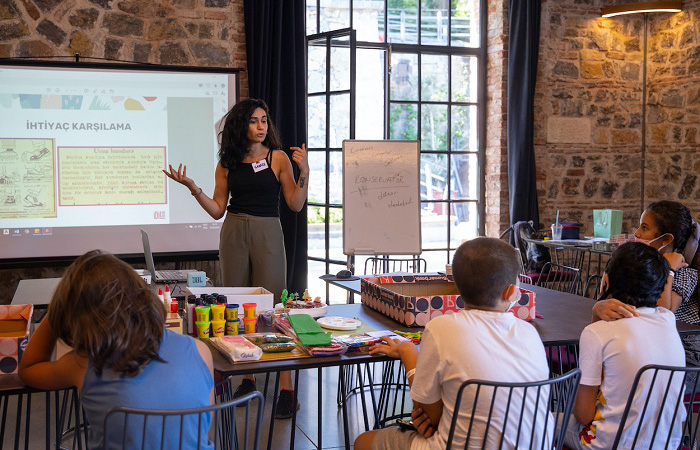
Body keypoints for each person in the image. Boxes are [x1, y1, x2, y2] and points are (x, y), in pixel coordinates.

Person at [163, 98, 309, 419]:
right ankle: (247, 375)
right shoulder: (227, 161)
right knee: (235, 304)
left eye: (264, 121)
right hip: (233, 230)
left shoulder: (278, 157)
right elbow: (217, 209)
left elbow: (295, 204)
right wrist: (192, 187)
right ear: (241, 125)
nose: (261, 127)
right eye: (254, 121)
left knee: (272, 307)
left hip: (268, 231)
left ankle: (286, 388)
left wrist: (304, 172)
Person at [354, 237, 551, 450]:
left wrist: (408, 351)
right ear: (510, 291)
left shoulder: (441, 328)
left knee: (363, 441)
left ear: (456, 285)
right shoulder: (530, 333)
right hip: (536, 445)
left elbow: (431, 418)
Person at [18, 250, 215, 449]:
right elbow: (203, 429)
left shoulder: (83, 364)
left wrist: (56, 311)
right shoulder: (200, 350)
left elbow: (28, 369)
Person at [564, 242, 686, 449]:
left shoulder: (596, 333)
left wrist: (595, 313)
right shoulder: (667, 319)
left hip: (608, 444)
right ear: (662, 285)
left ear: (607, 280)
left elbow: (583, 415)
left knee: (541, 420)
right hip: (667, 443)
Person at [593, 201, 700, 365]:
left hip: (684, 352)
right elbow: (609, 299)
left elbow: (663, 312)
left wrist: (669, 270)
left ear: (666, 239)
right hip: (646, 341)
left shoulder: (685, 273)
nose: (637, 233)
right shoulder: (642, 268)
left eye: (644, 227)